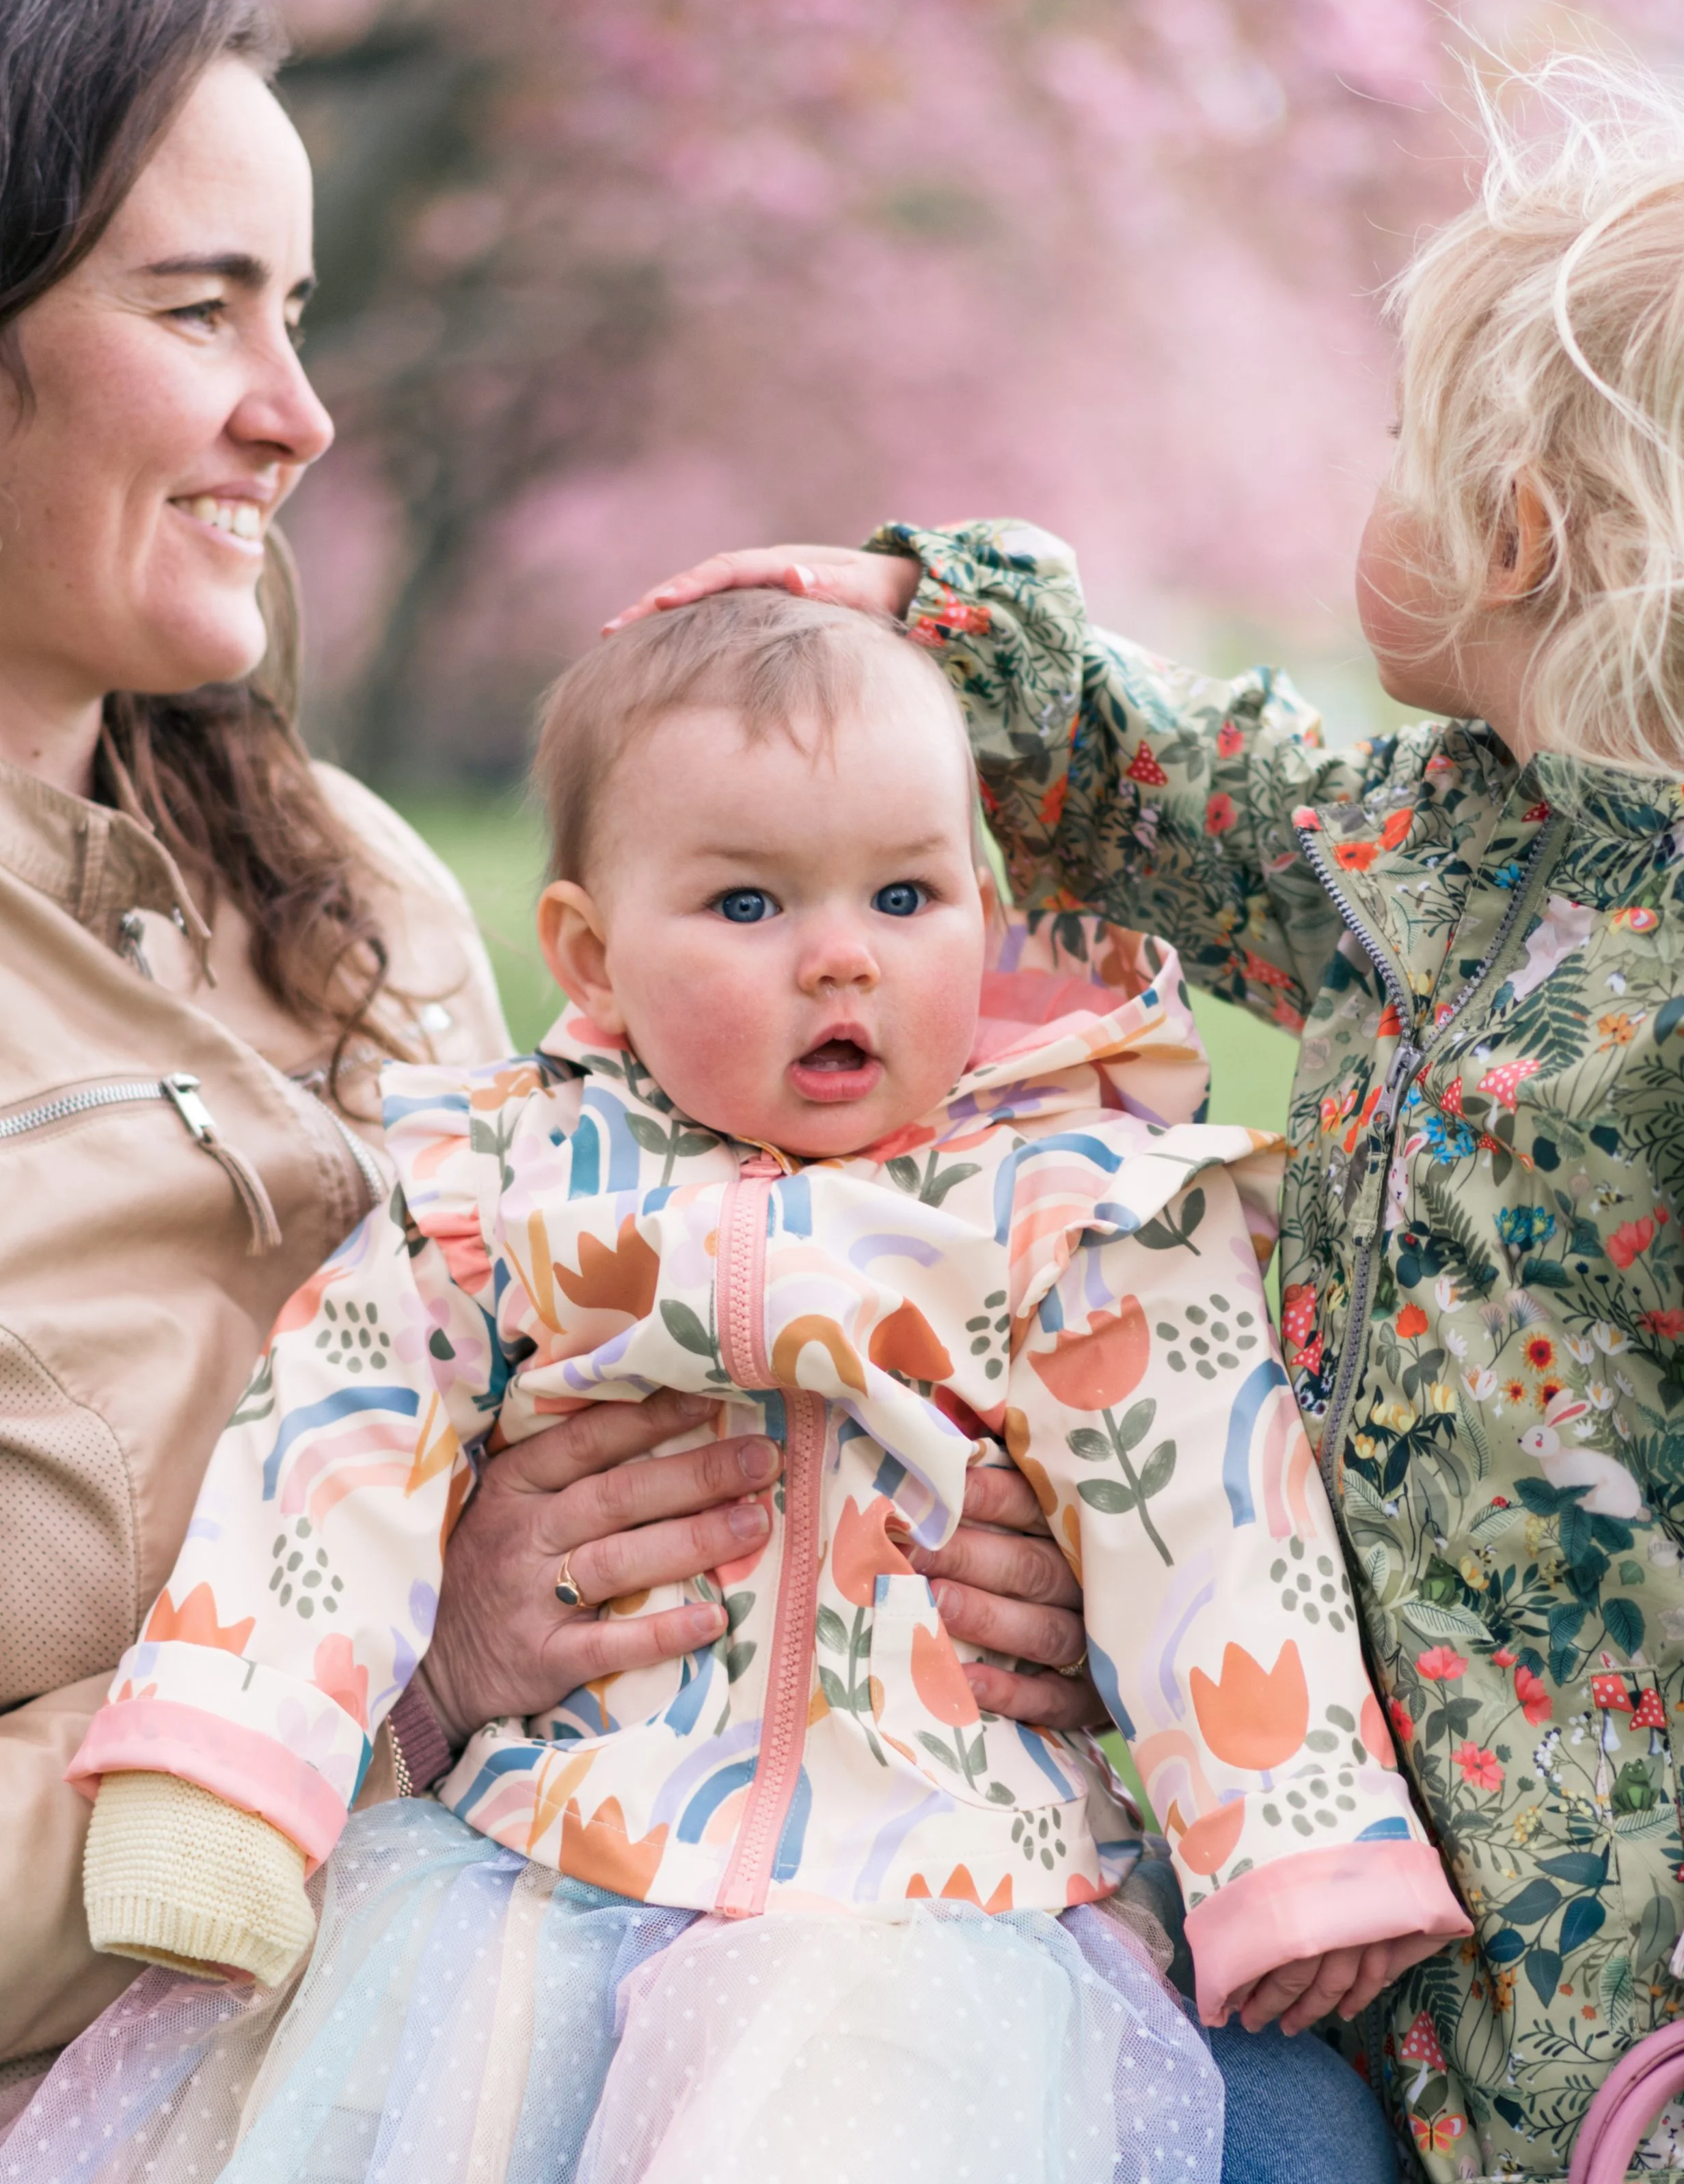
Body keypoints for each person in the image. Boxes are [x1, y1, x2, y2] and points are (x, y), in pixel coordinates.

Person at [0, 0, 1087, 2112]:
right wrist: (379, 1682)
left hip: (627, 1913)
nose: (298, 413)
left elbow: (627, 1300)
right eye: (199, 310)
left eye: (295, 310)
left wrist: (992, 1565)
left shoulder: (352, 873)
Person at [13, 588, 1467, 2183]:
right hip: (538, 1865)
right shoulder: (512, 1178)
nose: (840, 955)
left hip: (927, 1900)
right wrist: (236, 1758)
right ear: (591, 951)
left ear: (982, 914)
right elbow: (330, 1436)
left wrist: (1294, 1847)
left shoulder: (1068, 1206)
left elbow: (1210, 1509)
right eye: (749, 906)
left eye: (904, 894)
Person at [619, 57, 1684, 2179]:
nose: (1365, 502)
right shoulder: (1424, 856)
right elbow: (1171, 780)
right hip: (1319, 1865)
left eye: (1402, 457)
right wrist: (942, 637)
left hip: (1607, 1967)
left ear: (1519, 531)